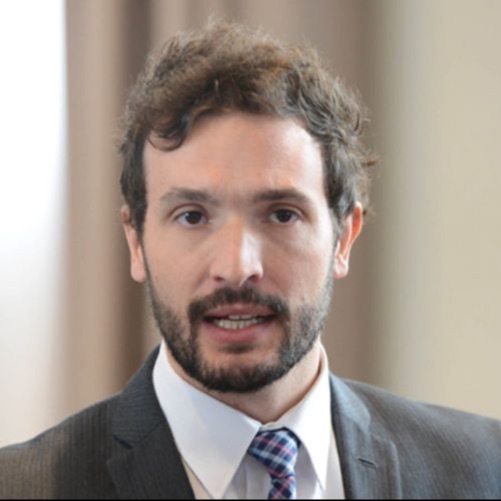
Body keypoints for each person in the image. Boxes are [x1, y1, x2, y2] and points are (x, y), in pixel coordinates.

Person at [1, 21, 500, 500]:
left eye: (282, 215)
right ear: (136, 242)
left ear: (344, 238)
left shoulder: (485, 470)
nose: (237, 267)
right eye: (192, 216)